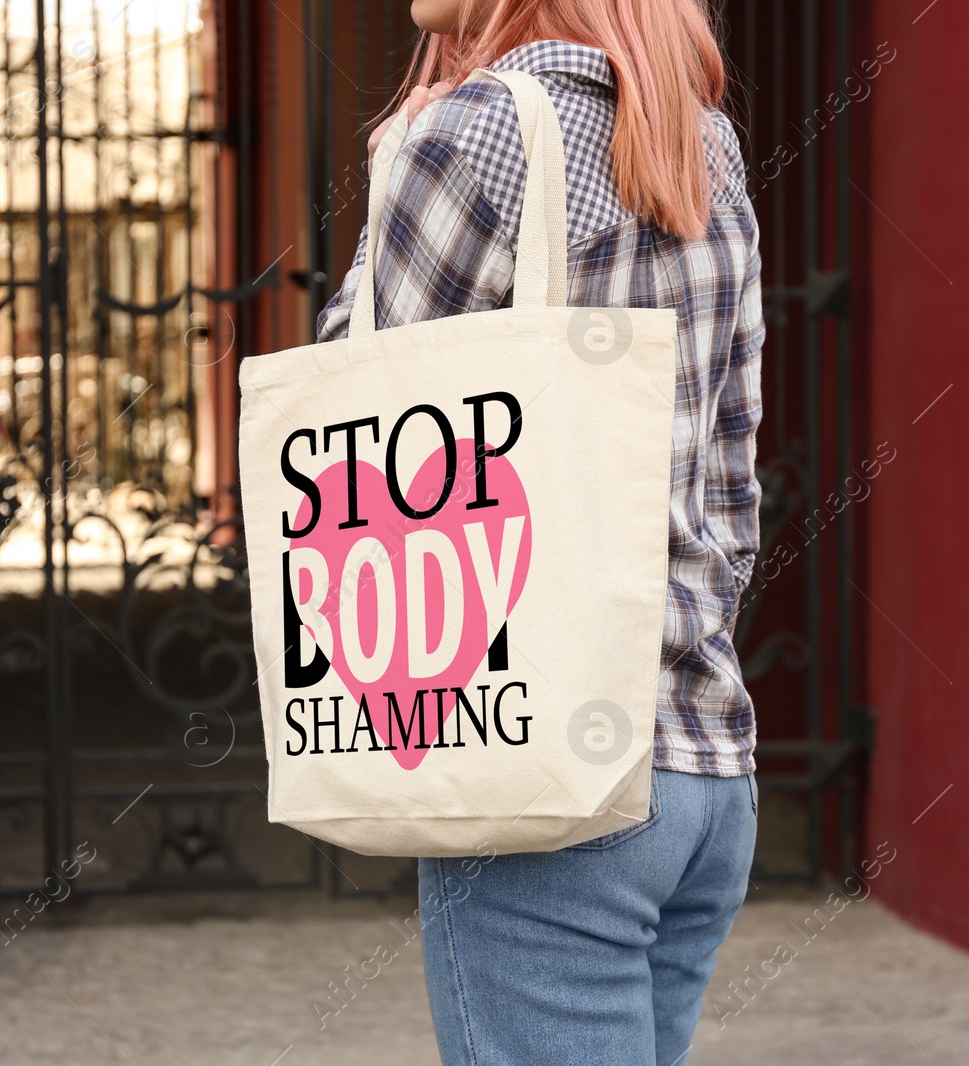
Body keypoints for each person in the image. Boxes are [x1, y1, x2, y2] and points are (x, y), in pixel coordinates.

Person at [314, 1, 764, 1062]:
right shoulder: (705, 139)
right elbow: (733, 480)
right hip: (706, 770)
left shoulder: (463, 135)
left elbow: (349, 431)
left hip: (551, 790)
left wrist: (390, 194)